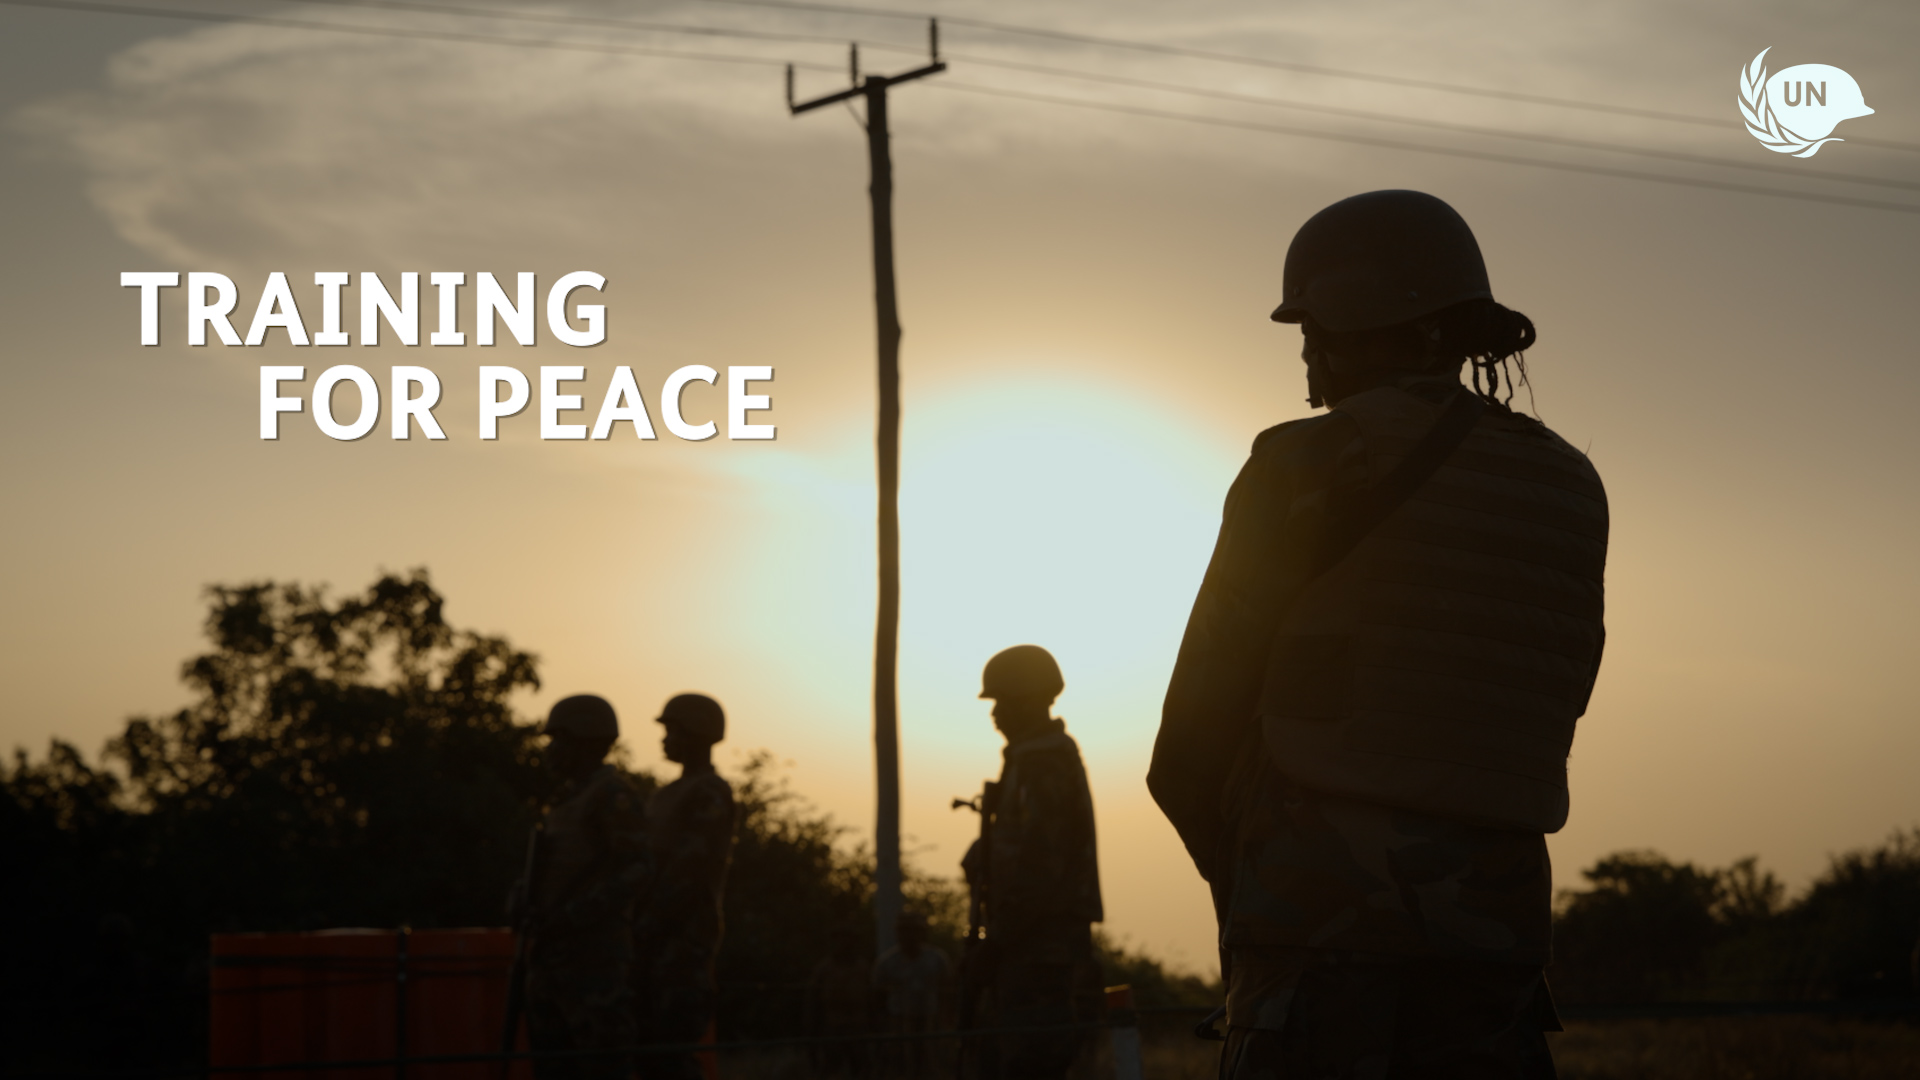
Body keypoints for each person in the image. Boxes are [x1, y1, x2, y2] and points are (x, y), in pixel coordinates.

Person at [1148, 189, 1608, 1079]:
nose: (1307, 352)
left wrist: (1249, 905)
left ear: (1368, 323)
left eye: (1315, 326)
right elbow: (1564, 696)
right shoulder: (1570, 484)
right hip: (1497, 944)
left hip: (1316, 936)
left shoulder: (1304, 464)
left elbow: (1190, 743)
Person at [962, 645, 1103, 1080]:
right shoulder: (1032, 760)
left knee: (1031, 1061)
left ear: (1027, 700)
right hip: (1029, 945)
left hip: (1040, 948)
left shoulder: (1044, 762)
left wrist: (997, 942)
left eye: (1002, 701)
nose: (995, 713)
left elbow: (1042, 865)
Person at [514, 694, 651, 1080]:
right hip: (552, 960)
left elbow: (638, 869)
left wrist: (576, 915)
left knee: (604, 1065)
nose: (551, 751)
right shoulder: (564, 803)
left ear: (587, 741)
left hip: (594, 961)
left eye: (560, 740)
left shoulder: (611, 796)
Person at [634, 693, 737, 1080]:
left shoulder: (709, 791)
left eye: (672, 730)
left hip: (681, 937)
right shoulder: (665, 795)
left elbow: (689, 868)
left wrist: (650, 920)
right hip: (650, 936)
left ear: (696, 734)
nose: (665, 739)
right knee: (647, 1049)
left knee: (671, 1051)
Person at [871, 911, 949, 1080]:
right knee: (900, 1066)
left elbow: (948, 993)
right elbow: (877, 999)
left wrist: (945, 1023)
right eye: (904, 930)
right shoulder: (887, 962)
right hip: (899, 1023)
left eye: (913, 930)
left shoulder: (936, 958)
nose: (909, 935)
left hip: (930, 1021)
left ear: (922, 932)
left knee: (931, 1065)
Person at [805, 928, 875, 1080]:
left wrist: (874, 1028)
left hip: (858, 1028)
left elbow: (873, 1001)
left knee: (861, 1069)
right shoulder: (823, 969)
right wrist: (812, 1031)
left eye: (849, 939)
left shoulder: (863, 968)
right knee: (831, 1070)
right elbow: (813, 1002)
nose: (845, 944)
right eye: (841, 939)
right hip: (832, 1029)